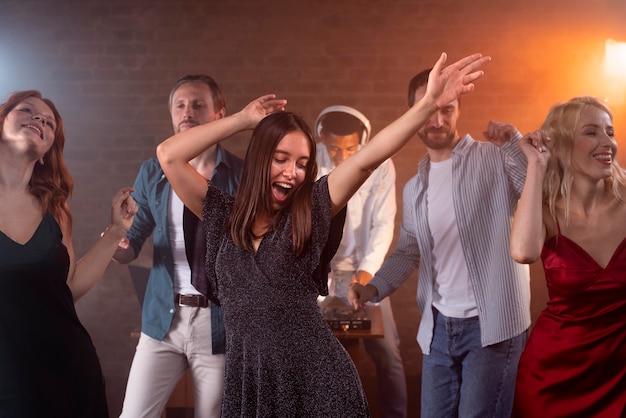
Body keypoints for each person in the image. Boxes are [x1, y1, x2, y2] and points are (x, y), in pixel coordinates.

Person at [156, 52, 489, 417]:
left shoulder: (308, 211)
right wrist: (241, 119)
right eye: (281, 158)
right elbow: (169, 155)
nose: (292, 173)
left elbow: (366, 159)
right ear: (258, 159)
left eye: (302, 164)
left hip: (316, 383)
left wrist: (427, 107)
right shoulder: (224, 214)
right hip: (250, 383)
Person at [349, 67, 531, 417]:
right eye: (428, 109)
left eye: (446, 108)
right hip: (438, 330)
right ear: (413, 116)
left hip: (491, 329)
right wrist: (372, 289)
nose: (437, 119)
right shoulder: (416, 187)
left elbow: (540, 192)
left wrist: (514, 142)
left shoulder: (494, 158)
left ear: (458, 110)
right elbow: (407, 251)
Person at [0, 90, 136, 417]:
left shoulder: (55, 210)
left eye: (48, 122)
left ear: (48, 151)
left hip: (68, 367)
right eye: (28, 111)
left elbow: (69, 287)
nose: (39, 120)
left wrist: (116, 230)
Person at [115, 75, 243, 418]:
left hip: (220, 326)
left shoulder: (242, 176)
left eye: (199, 104)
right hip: (162, 320)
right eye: (180, 105)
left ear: (220, 114)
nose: (188, 112)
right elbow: (132, 241)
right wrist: (115, 240)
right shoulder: (153, 171)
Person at [510, 96, 626, 417]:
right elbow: (523, 251)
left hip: (621, 376)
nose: (608, 143)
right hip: (553, 376)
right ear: (560, 144)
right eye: (591, 132)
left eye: (610, 132)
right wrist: (536, 164)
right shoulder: (546, 212)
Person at [315, 105, 407, 418]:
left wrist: (365, 277)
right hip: (319, 273)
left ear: (363, 141)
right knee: (317, 352)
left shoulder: (381, 164)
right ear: (322, 138)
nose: (343, 156)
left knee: (387, 352)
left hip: (364, 271)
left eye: (351, 148)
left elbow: (384, 224)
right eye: (335, 148)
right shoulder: (310, 161)